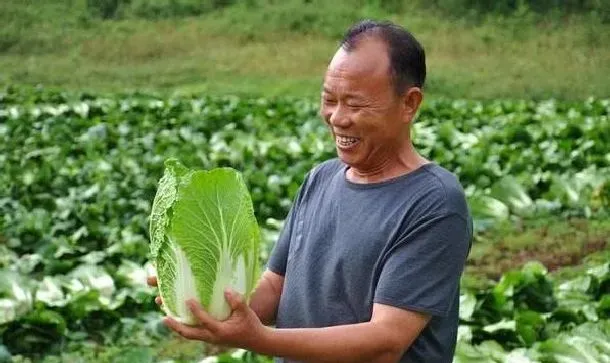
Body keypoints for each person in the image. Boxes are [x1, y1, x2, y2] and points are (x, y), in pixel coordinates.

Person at [148, 19, 472, 363]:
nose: (337, 118)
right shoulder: (322, 178)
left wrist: (259, 338)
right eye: (329, 99)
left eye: (356, 104)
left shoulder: (435, 203)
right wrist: (206, 303)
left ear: (409, 104)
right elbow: (275, 288)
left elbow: (385, 341)